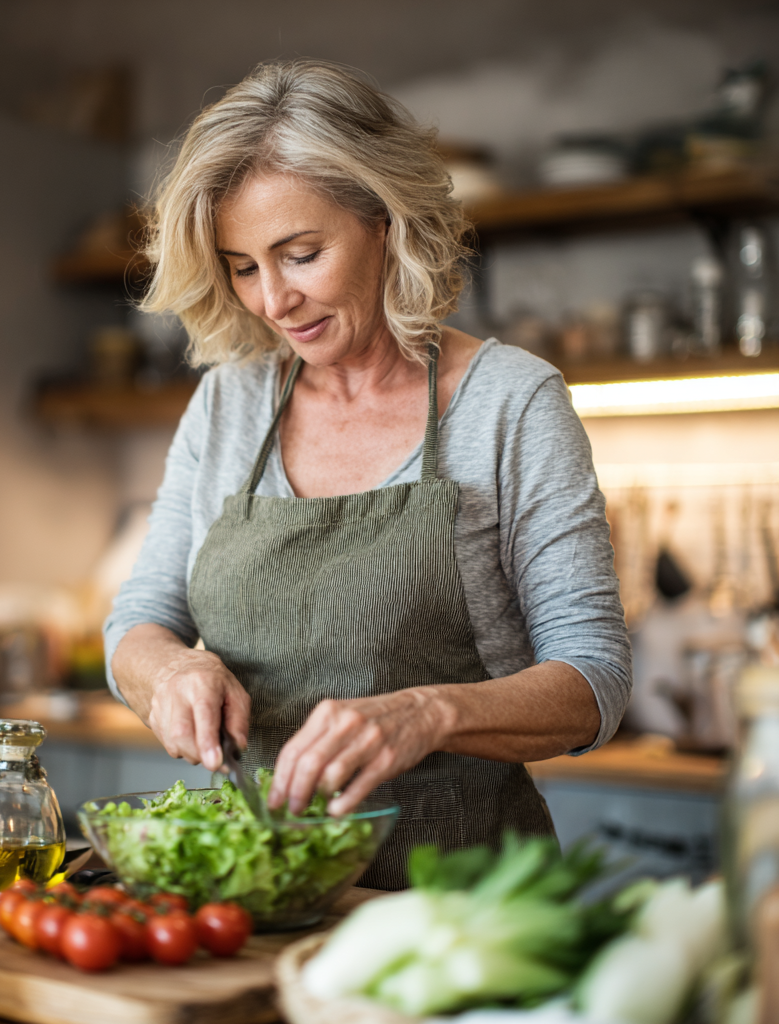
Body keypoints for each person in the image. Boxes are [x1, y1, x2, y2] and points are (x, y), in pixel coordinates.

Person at [103, 59, 631, 889]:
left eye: (301, 253)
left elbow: (594, 678)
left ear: (386, 222)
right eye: (243, 266)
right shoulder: (227, 408)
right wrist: (171, 670)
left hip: (466, 911)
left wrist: (430, 711)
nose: (273, 299)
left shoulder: (508, 401)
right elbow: (136, 622)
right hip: (260, 900)